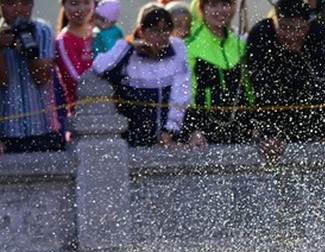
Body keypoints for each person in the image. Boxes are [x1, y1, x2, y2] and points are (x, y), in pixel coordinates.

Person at [93, 3, 191, 146]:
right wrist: (129, 48)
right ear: (141, 31)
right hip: (131, 139)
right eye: (155, 31)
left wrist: (169, 130)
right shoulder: (127, 51)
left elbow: (181, 94)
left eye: (165, 31)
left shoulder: (177, 49)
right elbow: (100, 67)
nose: (161, 37)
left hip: (166, 140)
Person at [246, 0, 325, 142]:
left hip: (308, 118)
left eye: (299, 28)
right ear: (274, 21)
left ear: (308, 25)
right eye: (285, 27)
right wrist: (269, 134)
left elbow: (324, 84)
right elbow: (260, 86)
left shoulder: (318, 34)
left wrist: (323, 129)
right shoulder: (261, 34)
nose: (292, 35)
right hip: (273, 115)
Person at [186, 0, 255, 144]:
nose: (221, 10)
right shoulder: (189, 45)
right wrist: (194, 129)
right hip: (204, 136)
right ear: (201, 9)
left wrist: (257, 126)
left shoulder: (240, 44)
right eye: (213, 5)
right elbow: (186, 93)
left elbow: (249, 90)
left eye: (226, 4)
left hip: (242, 132)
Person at [0, 0, 61, 153]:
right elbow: (3, 81)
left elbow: (42, 78)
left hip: (43, 129)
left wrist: (28, 50)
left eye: (26, 3)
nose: (18, 9)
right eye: (10, 3)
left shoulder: (42, 30)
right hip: (8, 133)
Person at [55, 0, 94, 113]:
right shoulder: (63, 41)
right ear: (63, 5)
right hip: (82, 115)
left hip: (110, 113)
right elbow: (76, 79)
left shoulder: (99, 34)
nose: (81, 9)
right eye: (73, 3)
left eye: (86, 2)